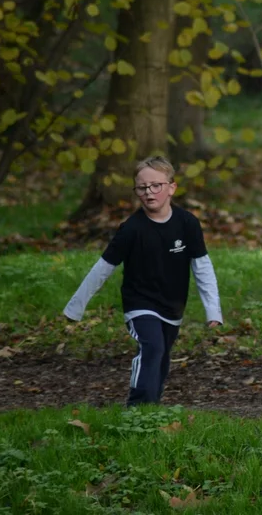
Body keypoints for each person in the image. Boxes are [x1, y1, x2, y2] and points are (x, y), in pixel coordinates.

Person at [63, 156, 223, 406]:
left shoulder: (187, 224)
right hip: (140, 304)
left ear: (172, 187)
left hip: (173, 306)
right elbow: (103, 268)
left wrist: (213, 309)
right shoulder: (131, 229)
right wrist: (76, 307)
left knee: (161, 356)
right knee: (152, 348)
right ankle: (137, 408)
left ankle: (152, 409)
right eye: (142, 188)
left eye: (156, 185)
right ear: (136, 190)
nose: (149, 193)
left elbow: (202, 267)